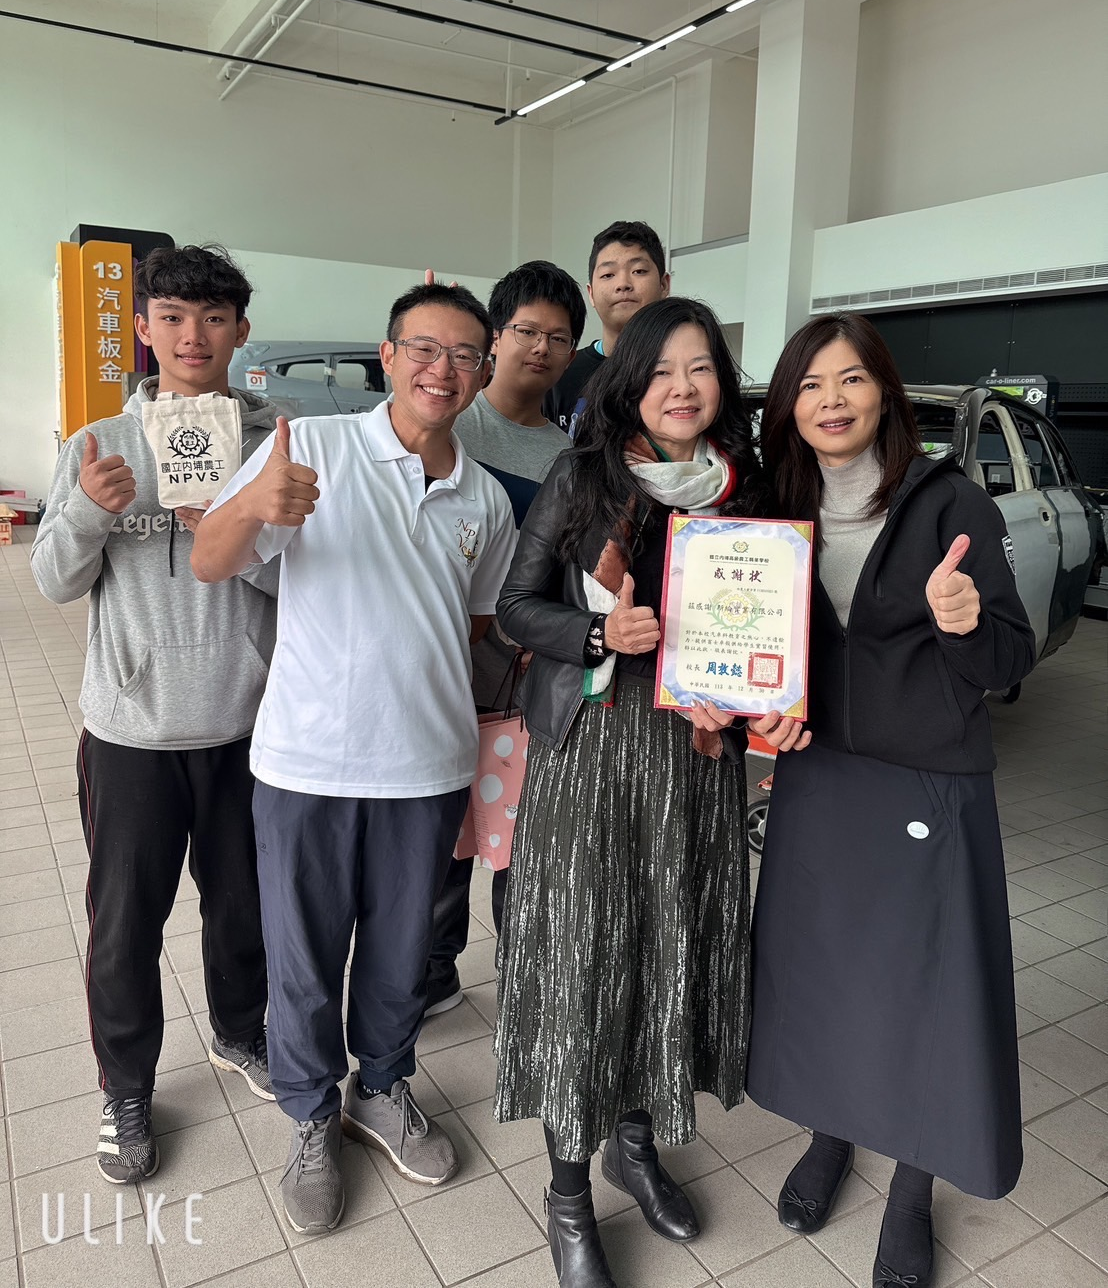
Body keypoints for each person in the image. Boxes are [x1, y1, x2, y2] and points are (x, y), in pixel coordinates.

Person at [191, 282, 516, 1236]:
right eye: (424, 348)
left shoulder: (486, 497)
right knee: (302, 953)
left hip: (427, 764)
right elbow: (211, 558)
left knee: (401, 950)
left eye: (464, 354)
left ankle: (381, 1086)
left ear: (482, 370)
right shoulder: (315, 448)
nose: (442, 369)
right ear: (388, 356)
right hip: (308, 761)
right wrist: (254, 503)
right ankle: (307, 1112)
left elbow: (477, 622)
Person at [493, 299, 798, 1288]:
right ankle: (567, 1193)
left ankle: (634, 1143)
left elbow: (766, 626)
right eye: (661, 368)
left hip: (692, 760)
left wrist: (763, 700)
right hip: (593, 751)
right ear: (631, 380)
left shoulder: (745, 488)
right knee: (588, 958)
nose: (681, 386)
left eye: (700, 367)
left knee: (665, 944)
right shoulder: (583, 475)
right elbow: (515, 607)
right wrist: (598, 633)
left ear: (721, 383)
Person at [746, 313, 1035, 1288]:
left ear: (884, 393)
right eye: (810, 383)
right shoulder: (772, 507)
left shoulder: (950, 503)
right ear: (789, 405)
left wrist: (964, 621)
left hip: (928, 778)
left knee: (924, 990)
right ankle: (831, 1131)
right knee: (824, 970)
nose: (830, 400)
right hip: (819, 773)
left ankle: (912, 1185)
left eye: (851, 380)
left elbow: (1008, 657)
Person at [31, 244, 277, 1184]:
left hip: (246, 725)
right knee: (126, 921)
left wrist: (247, 521)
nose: (192, 335)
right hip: (131, 730)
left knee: (243, 904)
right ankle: (126, 1085)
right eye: (172, 316)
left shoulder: (273, 441)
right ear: (142, 327)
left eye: (213, 318)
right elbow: (55, 582)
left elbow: (304, 584)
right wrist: (89, 514)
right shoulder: (99, 443)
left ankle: (242, 1032)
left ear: (240, 331)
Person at [427, 260, 587, 1016]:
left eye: (559, 337)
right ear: (496, 335)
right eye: (527, 330)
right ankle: (431, 970)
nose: (541, 348)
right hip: (446, 656)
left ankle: (522, 979)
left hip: (524, 665)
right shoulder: (453, 424)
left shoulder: (569, 455)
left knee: (516, 828)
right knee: (441, 823)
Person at [544, 220, 670, 437]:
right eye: (608, 275)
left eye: (639, 271)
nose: (623, 284)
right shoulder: (561, 374)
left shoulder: (683, 373)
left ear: (664, 285)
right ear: (591, 294)